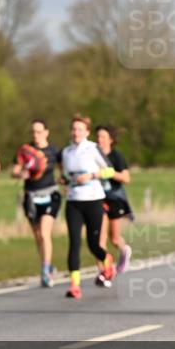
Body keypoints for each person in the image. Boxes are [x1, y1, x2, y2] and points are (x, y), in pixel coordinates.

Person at [59, 114, 116, 299]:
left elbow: (110, 170)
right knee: (74, 243)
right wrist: (65, 179)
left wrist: (91, 176)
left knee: (93, 244)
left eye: (80, 129)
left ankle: (107, 260)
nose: (76, 132)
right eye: (74, 129)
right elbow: (67, 175)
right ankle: (74, 285)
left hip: (93, 200)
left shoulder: (93, 148)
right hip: (74, 201)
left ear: (87, 132)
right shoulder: (66, 152)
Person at [12, 119, 61, 287]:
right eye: (33, 132)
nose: (36, 135)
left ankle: (45, 271)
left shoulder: (54, 150)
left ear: (46, 132)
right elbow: (15, 171)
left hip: (50, 194)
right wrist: (20, 174)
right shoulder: (25, 150)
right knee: (38, 236)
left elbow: (63, 169)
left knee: (45, 232)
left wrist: (65, 180)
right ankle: (48, 264)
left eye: (39, 131)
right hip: (30, 197)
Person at [95, 125, 134, 273]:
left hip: (115, 198)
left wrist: (110, 173)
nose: (100, 140)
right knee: (100, 237)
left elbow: (126, 178)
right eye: (98, 137)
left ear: (110, 140)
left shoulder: (116, 156)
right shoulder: (93, 155)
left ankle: (124, 251)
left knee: (115, 238)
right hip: (98, 198)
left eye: (103, 137)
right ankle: (103, 270)